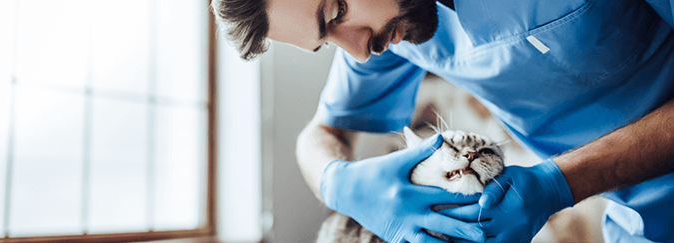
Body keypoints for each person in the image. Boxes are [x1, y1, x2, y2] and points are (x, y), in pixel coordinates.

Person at [213, 0, 674, 242]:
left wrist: (563, 183)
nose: (356, 49)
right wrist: (337, 182)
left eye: (335, 12)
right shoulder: (390, 31)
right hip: (642, 228)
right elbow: (320, 135)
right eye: (327, 42)